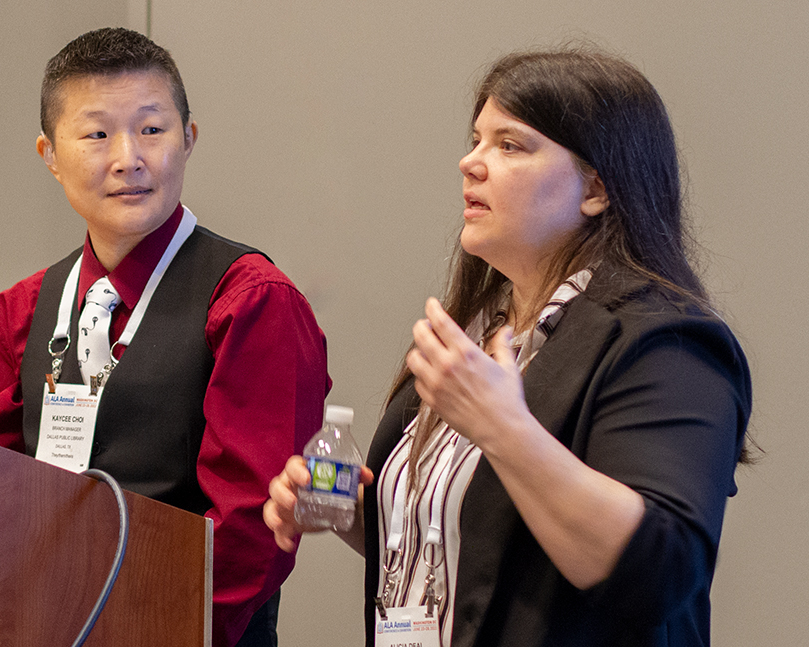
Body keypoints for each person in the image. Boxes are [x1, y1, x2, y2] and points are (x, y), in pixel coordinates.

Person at [264, 47, 751, 647]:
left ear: (596, 189)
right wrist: (354, 507)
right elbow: (486, 547)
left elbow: (659, 573)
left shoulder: (666, 341)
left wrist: (504, 428)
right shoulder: (481, 329)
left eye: (510, 145)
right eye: (476, 140)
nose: (470, 163)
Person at [0, 27, 330, 647]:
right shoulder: (18, 313)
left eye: (152, 129)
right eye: (96, 134)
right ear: (50, 155)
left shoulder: (250, 302)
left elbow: (251, 527)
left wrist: (154, 626)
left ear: (189, 139)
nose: (127, 158)